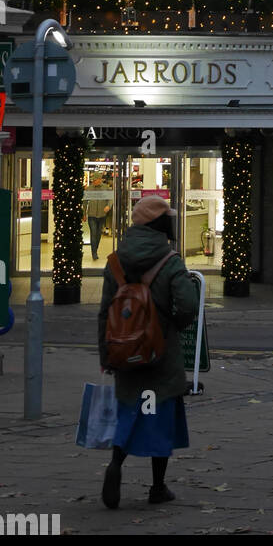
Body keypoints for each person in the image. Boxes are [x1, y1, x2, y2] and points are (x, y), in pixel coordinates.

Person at [97, 194, 199, 509]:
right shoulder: (169, 260)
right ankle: (157, 487)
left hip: (126, 354)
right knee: (159, 415)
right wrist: (172, 326)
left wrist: (106, 356)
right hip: (159, 355)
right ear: (160, 224)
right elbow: (188, 305)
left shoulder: (115, 261)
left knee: (131, 411)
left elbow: (104, 312)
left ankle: (116, 463)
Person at [83, 180, 111, 262]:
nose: (94, 182)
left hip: (102, 215)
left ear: (100, 180)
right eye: (93, 180)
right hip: (92, 215)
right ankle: (94, 253)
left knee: (98, 234)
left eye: (96, 180)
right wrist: (84, 214)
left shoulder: (105, 187)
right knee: (93, 233)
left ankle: (95, 249)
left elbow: (110, 199)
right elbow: (85, 202)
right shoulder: (89, 189)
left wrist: (108, 206)